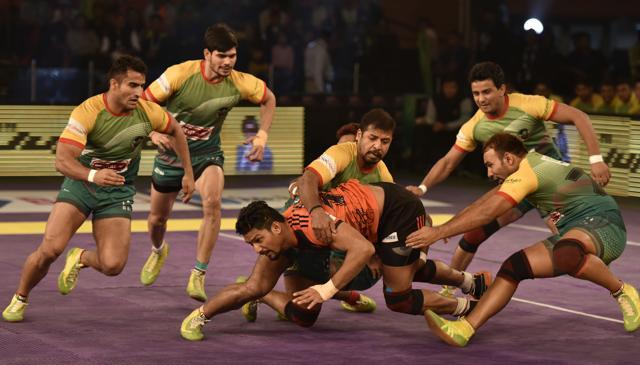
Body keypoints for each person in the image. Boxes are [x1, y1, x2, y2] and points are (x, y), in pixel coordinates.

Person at [2, 55, 195, 323]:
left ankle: (80, 257)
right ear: (114, 84)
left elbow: (176, 130)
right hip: (81, 185)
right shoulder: (88, 111)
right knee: (50, 249)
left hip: (117, 191)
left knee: (113, 265)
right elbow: (62, 161)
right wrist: (94, 175)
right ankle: (20, 298)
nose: (139, 92)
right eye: (132, 85)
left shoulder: (148, 112)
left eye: (142, 85)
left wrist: (188, 171)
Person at [404, 133, 639, 346]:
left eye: (490, 165)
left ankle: (622, 290)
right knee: (513, 268)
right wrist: (450, 226)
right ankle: (465, 328)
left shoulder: (528, 171)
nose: (488, 173)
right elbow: (484, 202)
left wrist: (438, 232)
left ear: (508, 159)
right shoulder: (528, 165)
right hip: (577, 231)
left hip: (604, 224)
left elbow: (490, 212)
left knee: (566, 252)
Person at [180, 180, 489, 341]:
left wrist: (326, 290)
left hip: (396, 212)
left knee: (398, 296)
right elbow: (251, 286)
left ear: (276, 227)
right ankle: (470, 282)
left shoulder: (318, 226)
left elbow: (364, 251)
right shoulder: (280, 237)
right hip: (358, 227)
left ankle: (467, 305)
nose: (256, 250)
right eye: (252, 244)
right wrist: (200, 315)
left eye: (258, 241)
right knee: (274, 297)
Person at [406, 62, 611, 296]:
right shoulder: (475, 126)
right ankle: (448, 290)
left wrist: (596, 159)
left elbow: (579, 116)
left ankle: (620, 290)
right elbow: (448, 161)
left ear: (502, 89)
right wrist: (423, 187)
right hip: (516, 190)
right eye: (475, 93)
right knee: (473, 234)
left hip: (549, 188)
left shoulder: (528, 104)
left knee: (572, 247)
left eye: (486, 92)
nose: (481, 99)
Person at [139, 23, 276, 302]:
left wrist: (262, 135)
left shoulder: (239, 82)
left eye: (232, 56)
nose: (227, 62)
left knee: (212, 203)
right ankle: (157, 250)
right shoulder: (179, 74)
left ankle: (198, 274)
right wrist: (152, 131)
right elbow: (142, 101)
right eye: (221, 56)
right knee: (157, 219)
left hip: (206, 153)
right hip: (170, 155)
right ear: (207, 54)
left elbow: (269, 98)